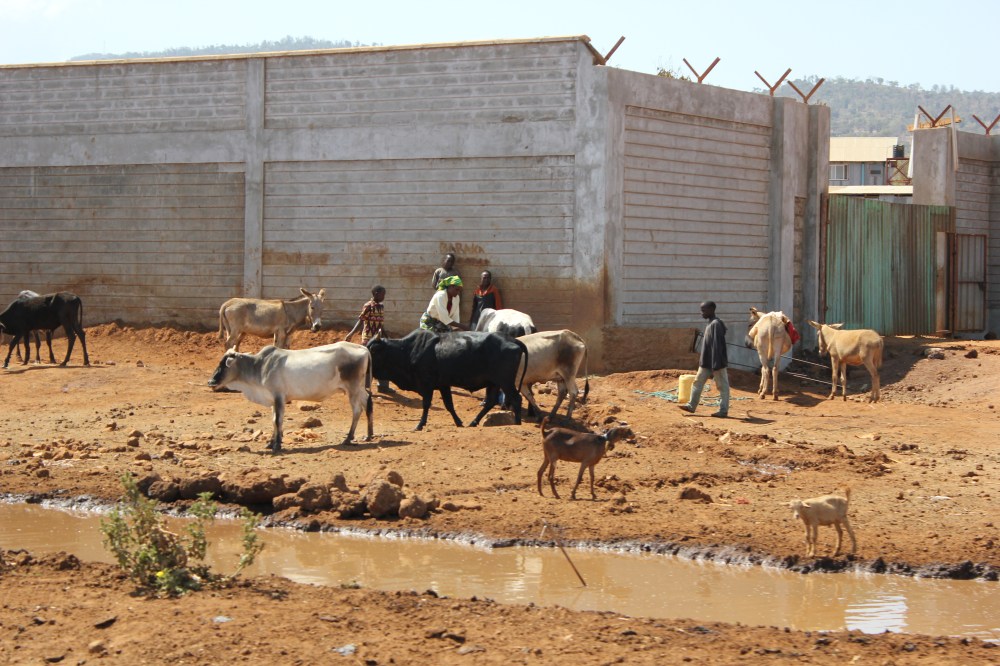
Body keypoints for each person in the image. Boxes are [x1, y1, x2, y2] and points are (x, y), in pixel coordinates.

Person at [678, 300, 730, 418]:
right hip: (706, 362)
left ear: (711, 310)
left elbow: (718, 345)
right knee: (697, 382)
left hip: (716, 362)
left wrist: (716, 363)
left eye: (703, 310)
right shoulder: (711, 323)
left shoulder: (716, 324)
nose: (701, 313)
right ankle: (691, 406)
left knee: (722, 386)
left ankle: (723, 411)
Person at [345, 285, 392, 392]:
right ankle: (365, 388)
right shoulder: (368, 306)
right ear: (376, 294)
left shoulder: (381, 306)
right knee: (368, 363)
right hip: (368, 339)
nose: (384, 296)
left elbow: (381, 324)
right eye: (382, 294)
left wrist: (386, 336)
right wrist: (351, 334)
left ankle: (383, 386)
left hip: (379, 339)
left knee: (384, 361)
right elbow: (361, 320)